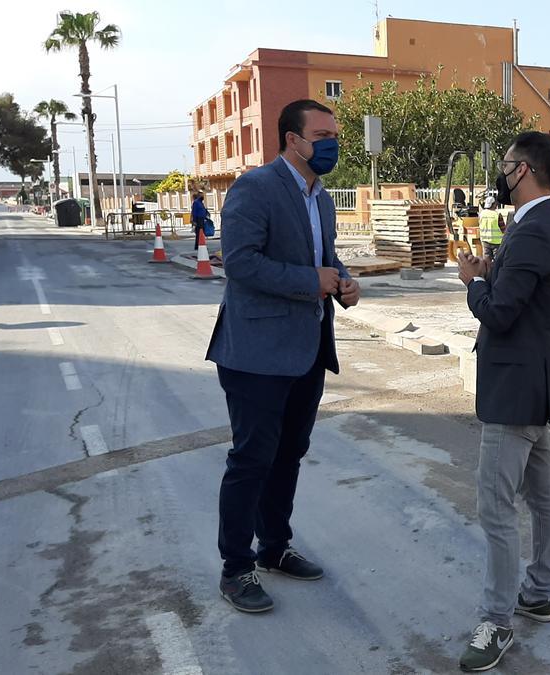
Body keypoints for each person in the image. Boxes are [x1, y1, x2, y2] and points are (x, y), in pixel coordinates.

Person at [206, 99, 361, 613]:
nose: (331, 142)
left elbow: (323, 259)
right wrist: (308, 281)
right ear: (292, 139)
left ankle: (273, 547)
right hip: (256, 353)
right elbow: (239, 263)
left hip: (308, 349)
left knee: (289, 453)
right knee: (251, 459)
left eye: (334, 133)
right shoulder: (255, 188)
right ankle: (236, 568)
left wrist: (340, 280)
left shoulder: (322, 200)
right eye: (322, 134)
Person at [454, 131, 550, 672]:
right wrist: (490, 275)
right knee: (541, 499)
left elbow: (499, 313)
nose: (500, 175)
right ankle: (538, 593)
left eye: (505, 166)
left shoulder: (533, 232)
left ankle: (496, 621)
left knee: (495, 507)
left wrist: (472, 284)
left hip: (514, 393)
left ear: (523, 170)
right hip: (534, 385)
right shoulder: (541, 225)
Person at [479, 195, 503, 262]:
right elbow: (503, 229)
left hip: (485, 240)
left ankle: (487, 272)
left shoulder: (481, 214)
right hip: (497, 242)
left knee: (486, 261)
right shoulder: (497, 215)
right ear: (494, 204)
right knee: (497, 261)